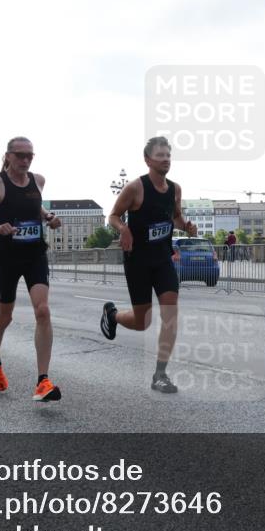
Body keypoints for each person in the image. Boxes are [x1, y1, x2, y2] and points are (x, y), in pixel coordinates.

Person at [0, 136, 62, 401]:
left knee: (42, 311)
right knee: (4, 317)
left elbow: (35, 206)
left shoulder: (38, 180)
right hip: (7, 258)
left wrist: (49, 218)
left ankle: (43, 381)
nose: (25, 160)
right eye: (20, 155)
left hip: (35, 255)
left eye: (30, 155)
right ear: (7, 156)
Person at [99, 136, 197, 393]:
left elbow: (174, 217)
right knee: (143, 321)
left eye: (168, 155)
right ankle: (114, 315)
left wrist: (185, 226)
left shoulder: (175, 189)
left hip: (163, 259)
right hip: (138, 261)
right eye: (160, 155)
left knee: (170, 315)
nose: (166, 159)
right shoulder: (135, 188)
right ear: (148, 160)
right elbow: (113, 215)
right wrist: (124, 229)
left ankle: (160, 374)